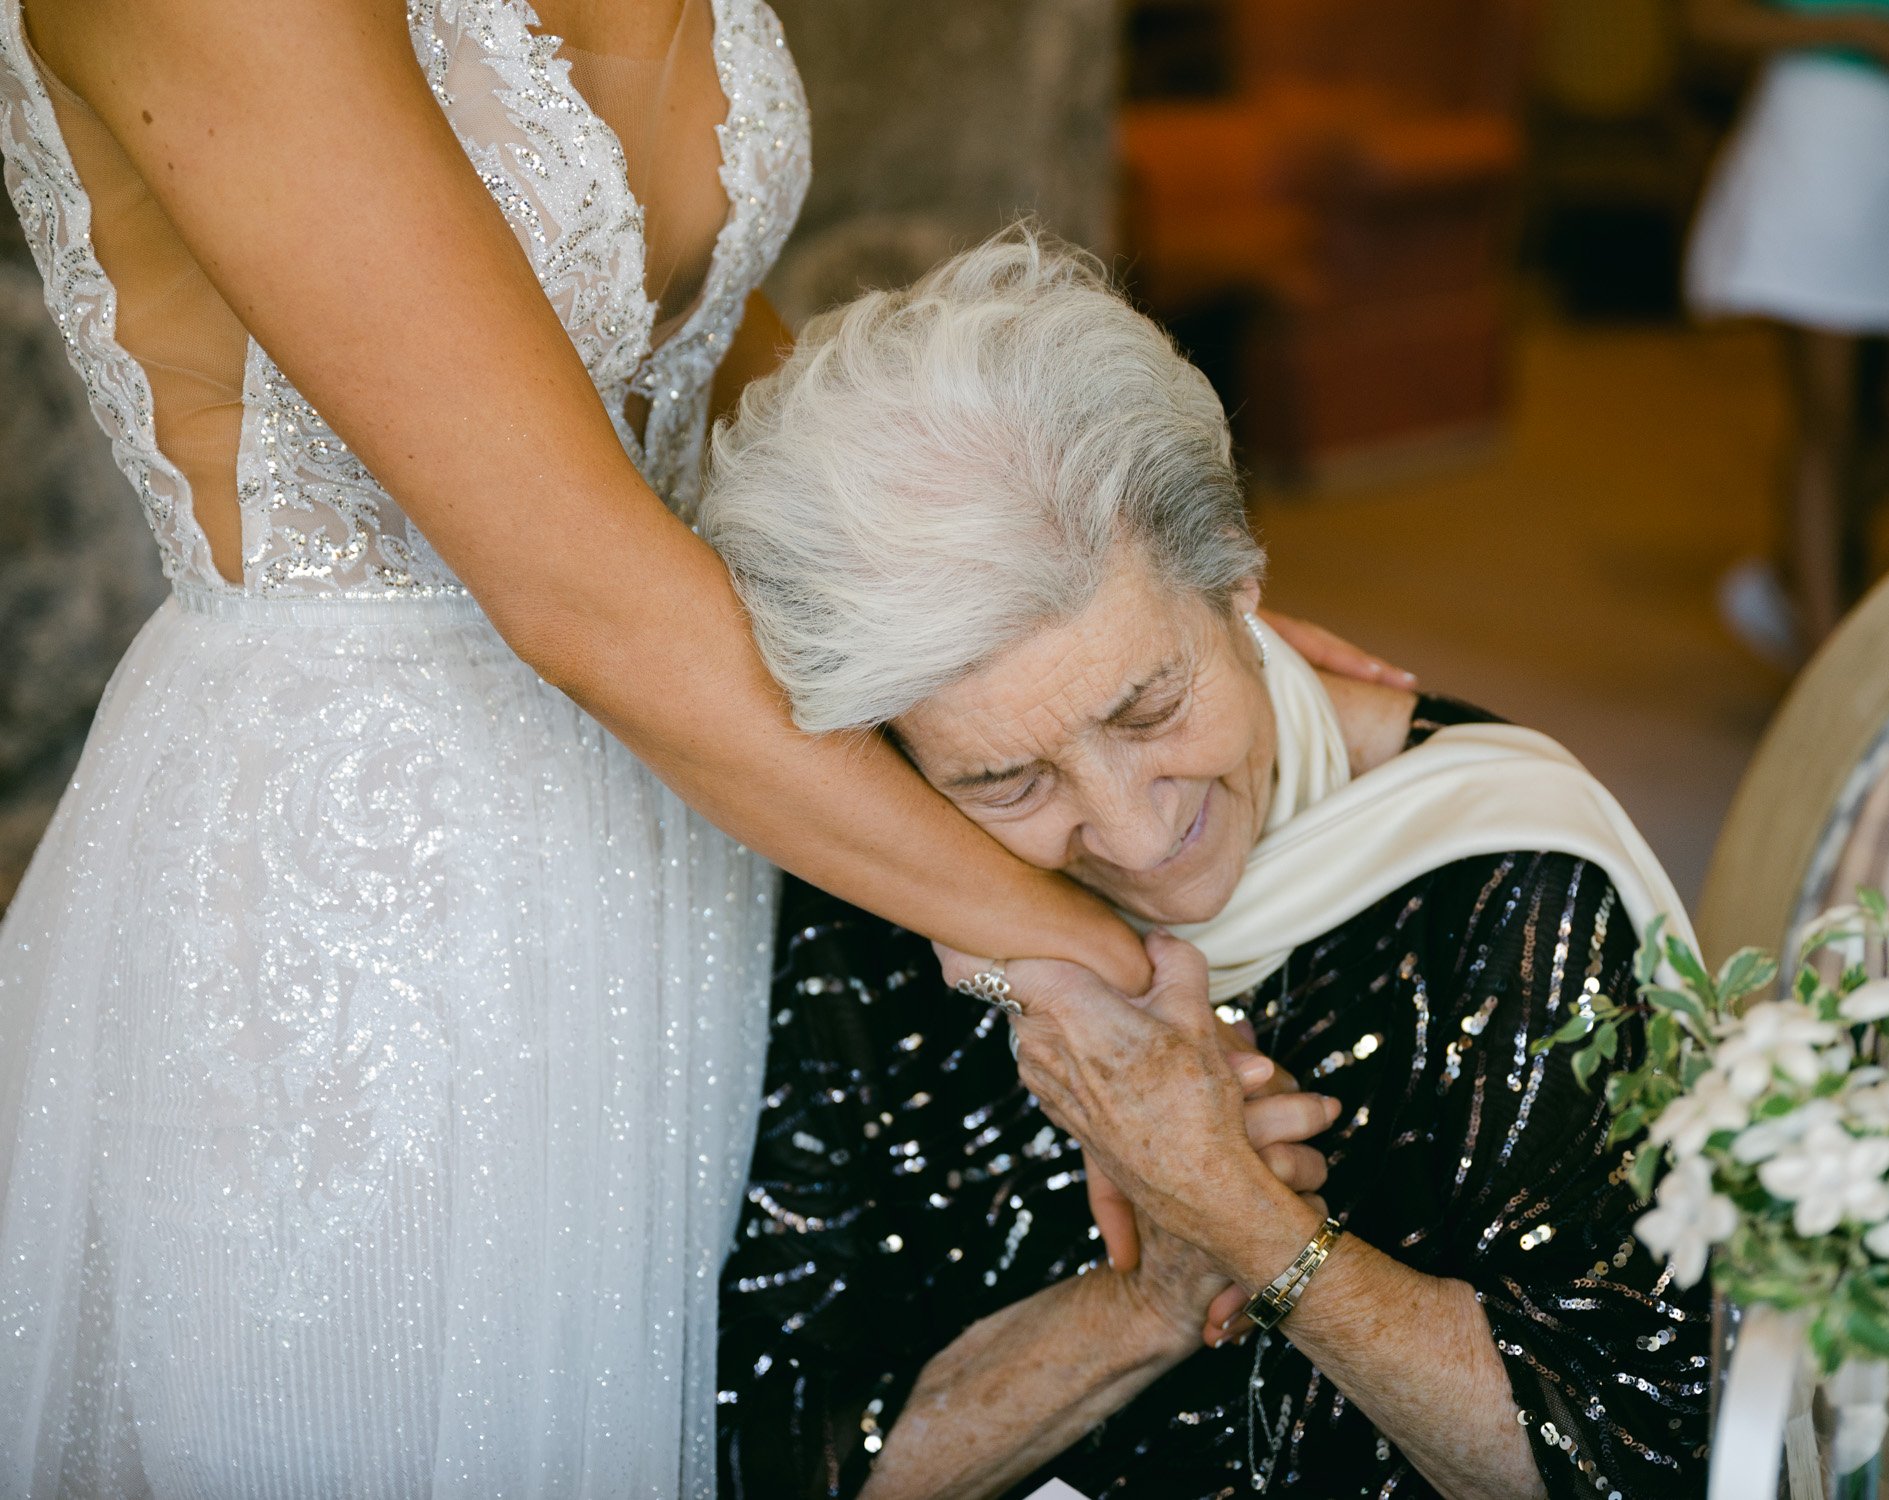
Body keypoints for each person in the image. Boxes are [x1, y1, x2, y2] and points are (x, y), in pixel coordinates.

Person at [0, 4, 1400, 1493]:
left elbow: (687, 350)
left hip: (687, 840)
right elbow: (578, 586)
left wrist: (1124, 613)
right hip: (365, 909)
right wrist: (1099, 971)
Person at [701, 232, 1710, 1499]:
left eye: (1149, 706)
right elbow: (763, 1452)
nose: (1128, 835)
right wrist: (1150, 1302)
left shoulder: (1506, 886)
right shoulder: (872, 889)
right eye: (1007, 781)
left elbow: (1639, 1461)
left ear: (1239, 582)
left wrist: (1238, 1211)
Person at [1684, 0, 1889, 663]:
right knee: (1828, 418)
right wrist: (1854, 30)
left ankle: (1797, 560)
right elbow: (1703, 21)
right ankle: (1823, 662)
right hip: (1813, 138)